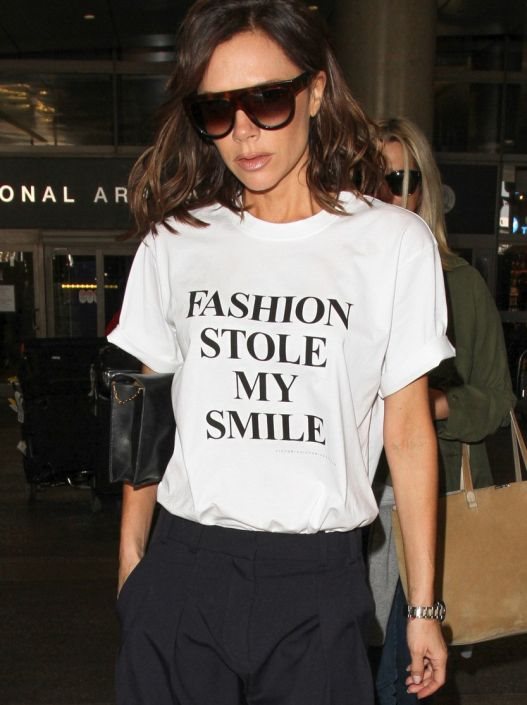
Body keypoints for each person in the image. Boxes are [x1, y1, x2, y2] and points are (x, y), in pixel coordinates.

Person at [108, 3, 452, 703]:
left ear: (315, 90)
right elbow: (145, 409)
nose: (242, 132)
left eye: (266, 100)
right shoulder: (175, 242)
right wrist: (130, 560)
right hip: (184, 567)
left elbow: (410, 432)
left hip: (317, 580)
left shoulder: (391, 244)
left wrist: (423, 606)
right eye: (216, 109)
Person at [368, 116, 515, 705]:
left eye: (400, 179)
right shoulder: (341, 280)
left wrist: (427, 403)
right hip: (347, 505)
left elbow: (496, 400)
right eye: (370, 178)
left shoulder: (460, 284)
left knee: (399, 677)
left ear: (423, 188)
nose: (386, 193)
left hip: (423, 499)